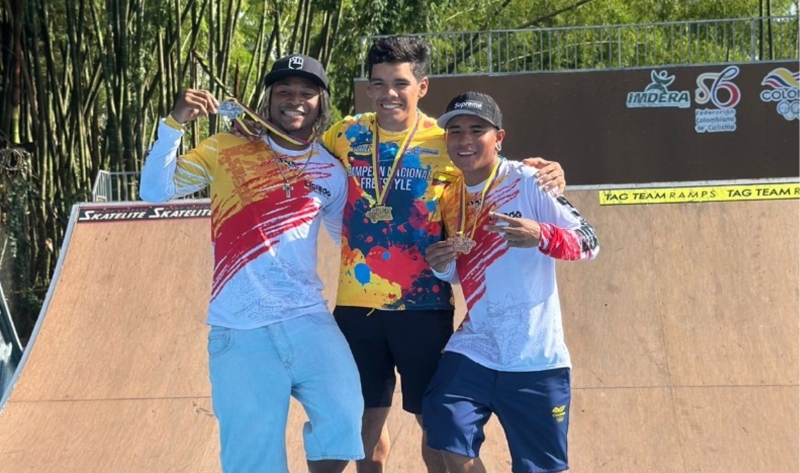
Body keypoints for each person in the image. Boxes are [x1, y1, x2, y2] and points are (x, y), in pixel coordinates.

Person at [321, 37, 568, 473]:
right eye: (379, 83)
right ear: (369, 87)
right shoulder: (344, 134)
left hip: (424, 306)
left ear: (422, 86)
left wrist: (551, 172)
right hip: (356, 306)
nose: (389, 93)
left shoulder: (448, 139)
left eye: (400, 83)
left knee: (436, 427)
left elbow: (494, 170)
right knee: (362, 426)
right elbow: (298, 155)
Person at [139, 54, 364, 473]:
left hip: (308, 319)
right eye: (284, 90)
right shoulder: (225, 148)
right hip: (240, 329)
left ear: (321, 103)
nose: (294, 99)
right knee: (253, 460)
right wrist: (175, 123)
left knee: (345, 420)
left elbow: (347, 239)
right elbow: (155, 191)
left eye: (306, 92)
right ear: (268, 98)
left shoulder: (330, 170)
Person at [421, 91, 600, 473]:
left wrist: (542, 235)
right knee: (445, 431)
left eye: (477, 130)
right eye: (456, 131)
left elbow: (590, 241)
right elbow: (462, 272)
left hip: (535, 357)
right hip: (477, 347)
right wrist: (442, 266)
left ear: (499, 138)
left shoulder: (530, 180)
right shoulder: (449, 197)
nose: (465, 140)